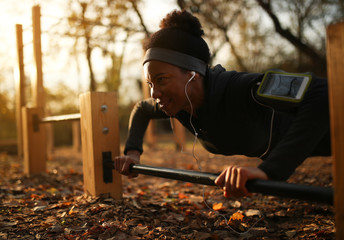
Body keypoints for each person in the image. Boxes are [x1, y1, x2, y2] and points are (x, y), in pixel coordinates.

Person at [114, 10, 331, 198]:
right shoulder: (178, 105)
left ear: (193, 74)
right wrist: (133, 151)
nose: (154, 92)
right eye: (150, 83)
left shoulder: (243, 88)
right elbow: (141, 109)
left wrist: (269, 171)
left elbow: (323, 93)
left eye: (161, 80)